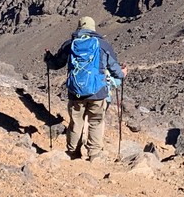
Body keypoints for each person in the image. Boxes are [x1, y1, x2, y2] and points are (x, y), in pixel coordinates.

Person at [44, 16, 125, 162]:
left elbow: (55, 64)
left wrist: (48, 58)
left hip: (76, 93)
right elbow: (115, 70)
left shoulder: (70, 44)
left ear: (79, 27)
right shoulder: (103, 45)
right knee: (95, 122)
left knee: (76, 122)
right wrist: (122, 73)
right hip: (98, 92)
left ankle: (73, 154)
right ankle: (94, 155)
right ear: (93, 28)